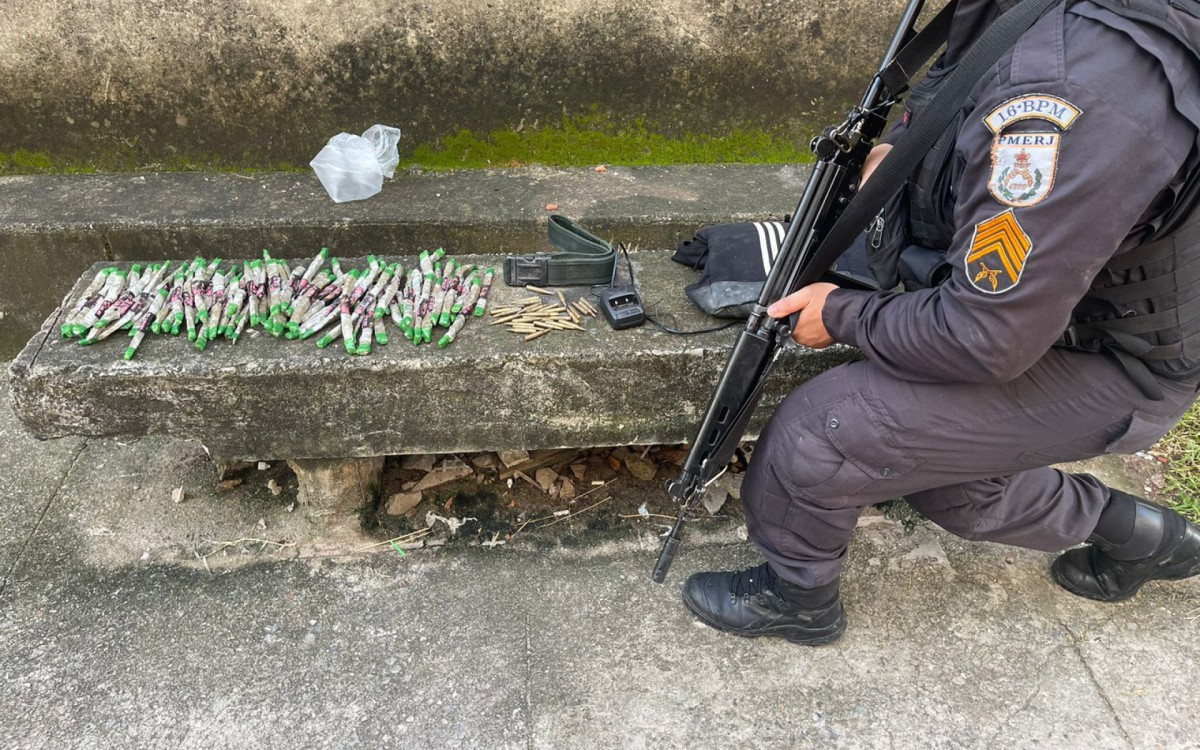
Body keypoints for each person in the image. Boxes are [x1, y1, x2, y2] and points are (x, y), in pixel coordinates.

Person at [683, 0, 1200, 645]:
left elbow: (986, 336)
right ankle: (1149, 538)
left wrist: (840, 313)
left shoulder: (1072, 91)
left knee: (824, 432)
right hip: (1055, 316)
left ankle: (798, 598)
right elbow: (960, 74)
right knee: (950, 489)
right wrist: (898, 150)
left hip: (1111, 360)